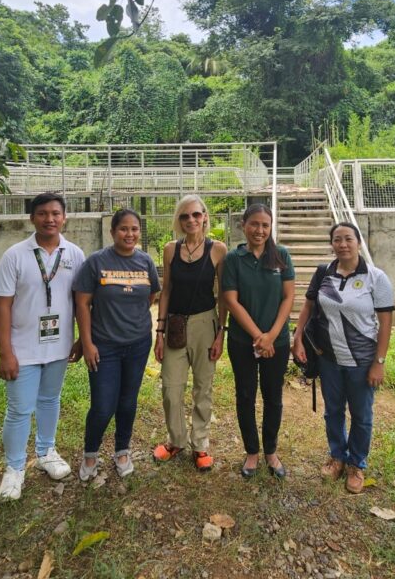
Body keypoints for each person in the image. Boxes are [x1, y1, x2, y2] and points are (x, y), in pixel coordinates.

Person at [0, 192, 86, 501]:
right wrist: (5, 352)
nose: (50, 219)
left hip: (59, 347)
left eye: (55, 213)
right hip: (23, 349)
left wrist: (81, 339)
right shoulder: (15, 256)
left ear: (64, 217)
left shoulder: (75, 254)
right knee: (20, 409)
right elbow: (2, 306)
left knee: (50, 400)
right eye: (43, 213)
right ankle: (14, 468)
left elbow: (82, 302)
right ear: (32, 218)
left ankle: (46, 452)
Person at [292, 222, 394, 495]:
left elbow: (385, 324)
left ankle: (356, 464)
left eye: (348, 239)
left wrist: (379, 362)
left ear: (358, 242)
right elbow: (309, 306)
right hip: (328, 358)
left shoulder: (375, 277)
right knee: (333, 410)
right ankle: (337, 456)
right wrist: (298, 337)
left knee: (361, 415)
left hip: (362, 361)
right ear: (332, 244)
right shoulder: (324, 273)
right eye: (337, 240)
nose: (343, 244)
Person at [73, 208, 160, 481]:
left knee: (127, 401)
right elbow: (82, 304)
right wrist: (86, 343)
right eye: (123, 229)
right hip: (104, 346)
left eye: (134, 229)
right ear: (112, 232)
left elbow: (151, 296)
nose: (129, 234)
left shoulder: (145, 262)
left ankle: (122, 450)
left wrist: (130, 319)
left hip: (138, 344)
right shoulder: (96, 262)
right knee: (102, 405)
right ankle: (90, 453)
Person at [152, 195, 228, 471]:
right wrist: (159, 331)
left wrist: (221, 332)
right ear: (179, 220)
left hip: (205, 323)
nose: (191, 220)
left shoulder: (218, 250)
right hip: (175, 324)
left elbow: (223, 296)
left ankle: (200, 444)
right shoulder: (171, 249)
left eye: (196, 215)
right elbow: (167, 289)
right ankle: (176, 440)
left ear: (205, 217)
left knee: (203, 387)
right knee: (171, 389)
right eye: (185, 216)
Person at [221, 203, 295, 479]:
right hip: (242, 341)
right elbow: (231, 300)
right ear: (243, 225)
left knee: (273, 397)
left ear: (271, 227)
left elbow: (288, 297)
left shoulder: (282, 256)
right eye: (254, 224)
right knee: (245, 395)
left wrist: (272, 336)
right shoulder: (233, 259)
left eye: (265, 225)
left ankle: (271, 452)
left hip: (277, 341)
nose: (260, 230)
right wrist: (257, 336)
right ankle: (252, 451)